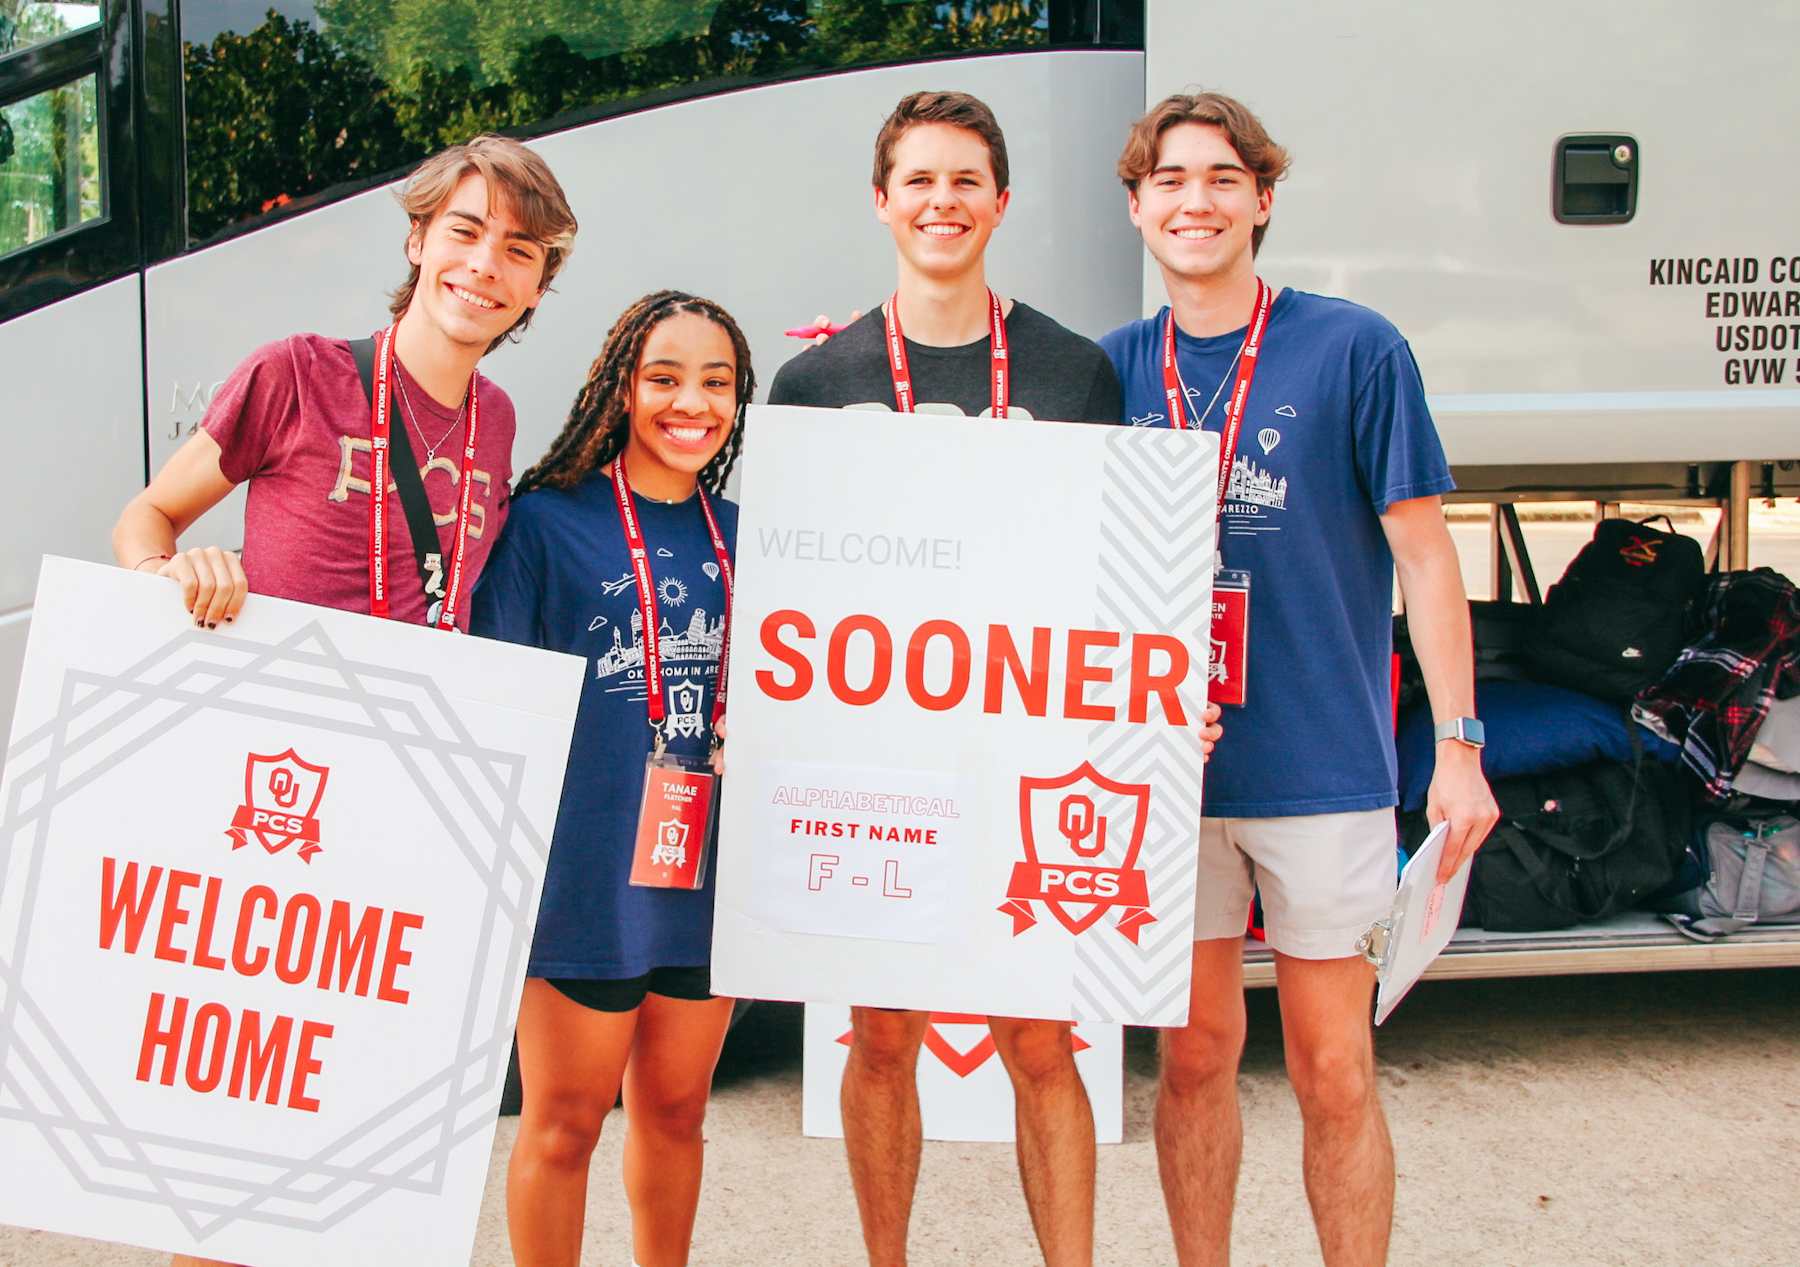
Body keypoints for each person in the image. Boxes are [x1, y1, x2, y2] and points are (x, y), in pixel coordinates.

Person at [107, 134, 578, 1267]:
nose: (485, 265)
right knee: (233, 1136)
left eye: (519, 251)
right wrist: (175, 574)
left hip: (406, 805)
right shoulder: (297, 372)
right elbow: (145, 519)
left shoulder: (499, 419)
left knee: (357, 1136)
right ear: (418, 240)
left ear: (536, 282)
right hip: (273, 797)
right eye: (463, 233)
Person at [770, 90, 1219, 1267]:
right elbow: (790, 595)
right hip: (886, 765)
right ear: (881, 202)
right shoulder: (815, 384)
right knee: (881, 1034)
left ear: (1001, 202)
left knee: (1038, 1040)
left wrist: (1161, 707)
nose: (942, 201)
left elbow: (1124, 574)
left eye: (966, 180)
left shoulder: (1073, 370)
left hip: (1030, 754)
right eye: (917, 180)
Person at [1097, 93, 1499, 1267]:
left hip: (1321, 764)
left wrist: (1458, 746)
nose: (1195, 201)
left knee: (1331, 1069)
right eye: (1168, 180)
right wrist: (854, 383)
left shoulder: (1351, 345)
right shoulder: (1110, 367)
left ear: (1261, 199)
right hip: (1168, 775)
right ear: (1135, 208)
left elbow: (1425, 557)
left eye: (1222, 179)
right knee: (1190, 1057)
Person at [472, 291, 754, 1267]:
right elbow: (489, 698)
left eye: (715, 382)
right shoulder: (546, 524)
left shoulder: (746, 533)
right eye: (665, 377)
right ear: (621, 388)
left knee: (675, 1116)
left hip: (709, 877)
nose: (692, 402)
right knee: (563, 1124)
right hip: (582, 874)